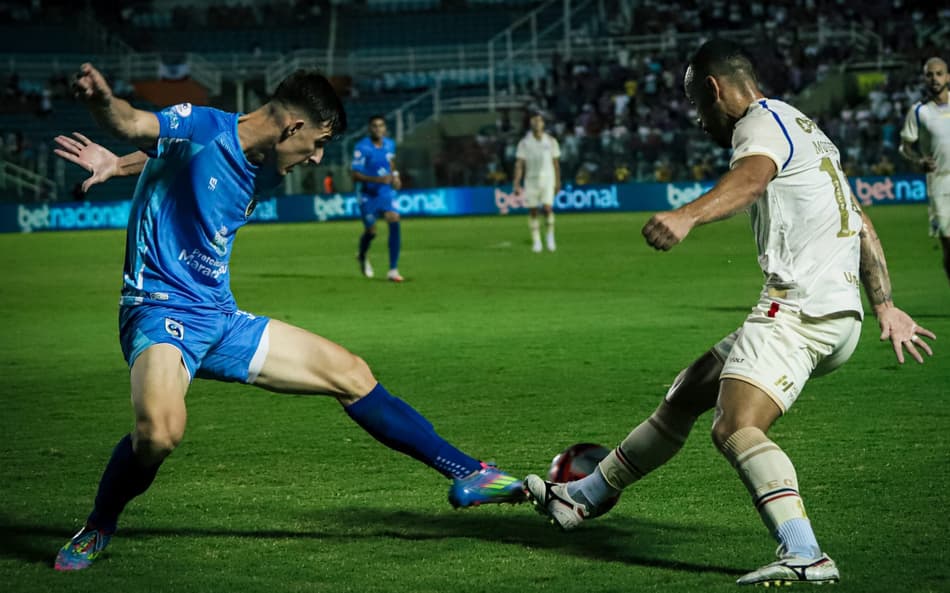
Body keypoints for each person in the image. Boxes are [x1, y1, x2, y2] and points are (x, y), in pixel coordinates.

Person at [51, 63, 524, 572]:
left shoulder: (268, 166)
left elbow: (163, 157)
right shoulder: (204, 126)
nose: (317, 157)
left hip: (221, 317)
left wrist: (117, 167)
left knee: (352, 373)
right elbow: (135, 125)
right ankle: (100, 524)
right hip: (160, 309)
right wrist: (101, 104)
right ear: (293, 128)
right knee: (160, 434)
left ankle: (467, 472)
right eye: (317, 143)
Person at [524, 40, 936, 587]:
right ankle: (583, 497)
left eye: (697, 103)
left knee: (735, 427)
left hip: (798, 308)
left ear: (715, 89)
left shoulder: (758, 125)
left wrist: (688, 216)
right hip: (834, 312)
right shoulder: (803, 126)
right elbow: (858, 219)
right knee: (688, 390)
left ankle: (806, 553)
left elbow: (751, 179)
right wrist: (883, 303)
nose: (699, 119)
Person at [899, 56, 950, 285]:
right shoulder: (919, 112)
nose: (934, 79)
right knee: (949, 246)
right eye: (930, 74)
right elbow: (905, 147)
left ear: (947, 77)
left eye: (939, 73)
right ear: (924, 78)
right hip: (939, 184)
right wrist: (919, 161)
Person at [352, 115, 403, 282]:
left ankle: (393, 270)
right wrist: (378, 180)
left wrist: (395, 176)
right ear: (369, 129)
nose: (378, 129)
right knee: (372, 231)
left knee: (394, 218)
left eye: (381, 126)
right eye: (374, 126)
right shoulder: (362, 148)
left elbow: (391, 162)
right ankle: (362, 254)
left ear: (385, 128)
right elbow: (355, 174)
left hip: (385, 191)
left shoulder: (390, 144)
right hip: (366, 193)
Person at [512, 111, 561, 252]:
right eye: (534, 121)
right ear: (530, 124)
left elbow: (556, 163)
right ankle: (537, 241)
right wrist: (516, 183)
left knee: (547, 208)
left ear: (543, 124)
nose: (537, 123)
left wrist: (558, 181)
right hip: (531, 181)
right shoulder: (524, 143)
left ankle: (550, 237)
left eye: (539, 121)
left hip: (548, 179)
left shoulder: (551, 141)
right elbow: (519, 164)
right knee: (533, 211)